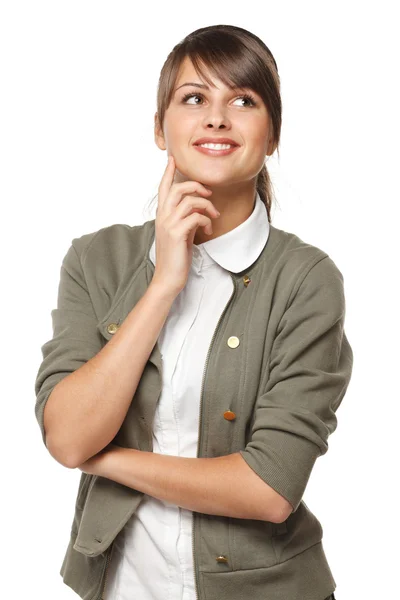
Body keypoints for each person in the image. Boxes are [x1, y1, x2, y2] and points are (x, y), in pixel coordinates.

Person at [34, 24, 351, 600]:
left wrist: (107, 461)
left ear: (272, 133)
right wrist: (163, 285)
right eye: (194, 98)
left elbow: (268, 489)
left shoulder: (306, 280)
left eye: (244, 100)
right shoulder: (95, 259)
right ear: (161, 128)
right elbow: (67, 432)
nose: (217, 118)